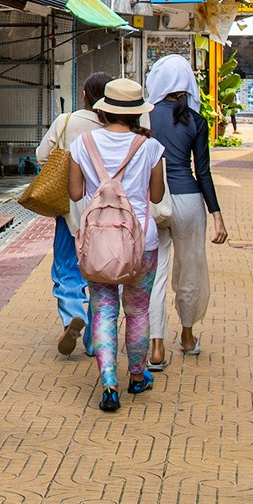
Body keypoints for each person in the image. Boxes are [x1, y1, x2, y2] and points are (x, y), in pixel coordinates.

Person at [67, 78, 167, 413]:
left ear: (104, 109)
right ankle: (137, 377)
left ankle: (109, 382)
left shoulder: (83, 143)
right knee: (137, 309)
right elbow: (156, 196)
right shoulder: (150, 147)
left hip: (99, 244)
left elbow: (75, 193)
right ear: (138, 112)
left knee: (104, 309)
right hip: (141, 243)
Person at [144, 55, 230, 369]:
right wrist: (217, 214)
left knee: (155, 274)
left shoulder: (145, 118)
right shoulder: (196, 120)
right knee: (190, 269)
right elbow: (203, 172)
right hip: (191, 202)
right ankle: (188, 336)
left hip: (153, 201)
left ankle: (156, 348)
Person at [35, 72, 112, 357]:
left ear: (83, 95)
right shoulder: (115, 128)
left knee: (67, 270)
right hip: (106, 215)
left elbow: (43, 156)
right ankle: (95, 340)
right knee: (101, 277)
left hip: (70, 209)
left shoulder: (66, 122)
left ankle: (70, 318)